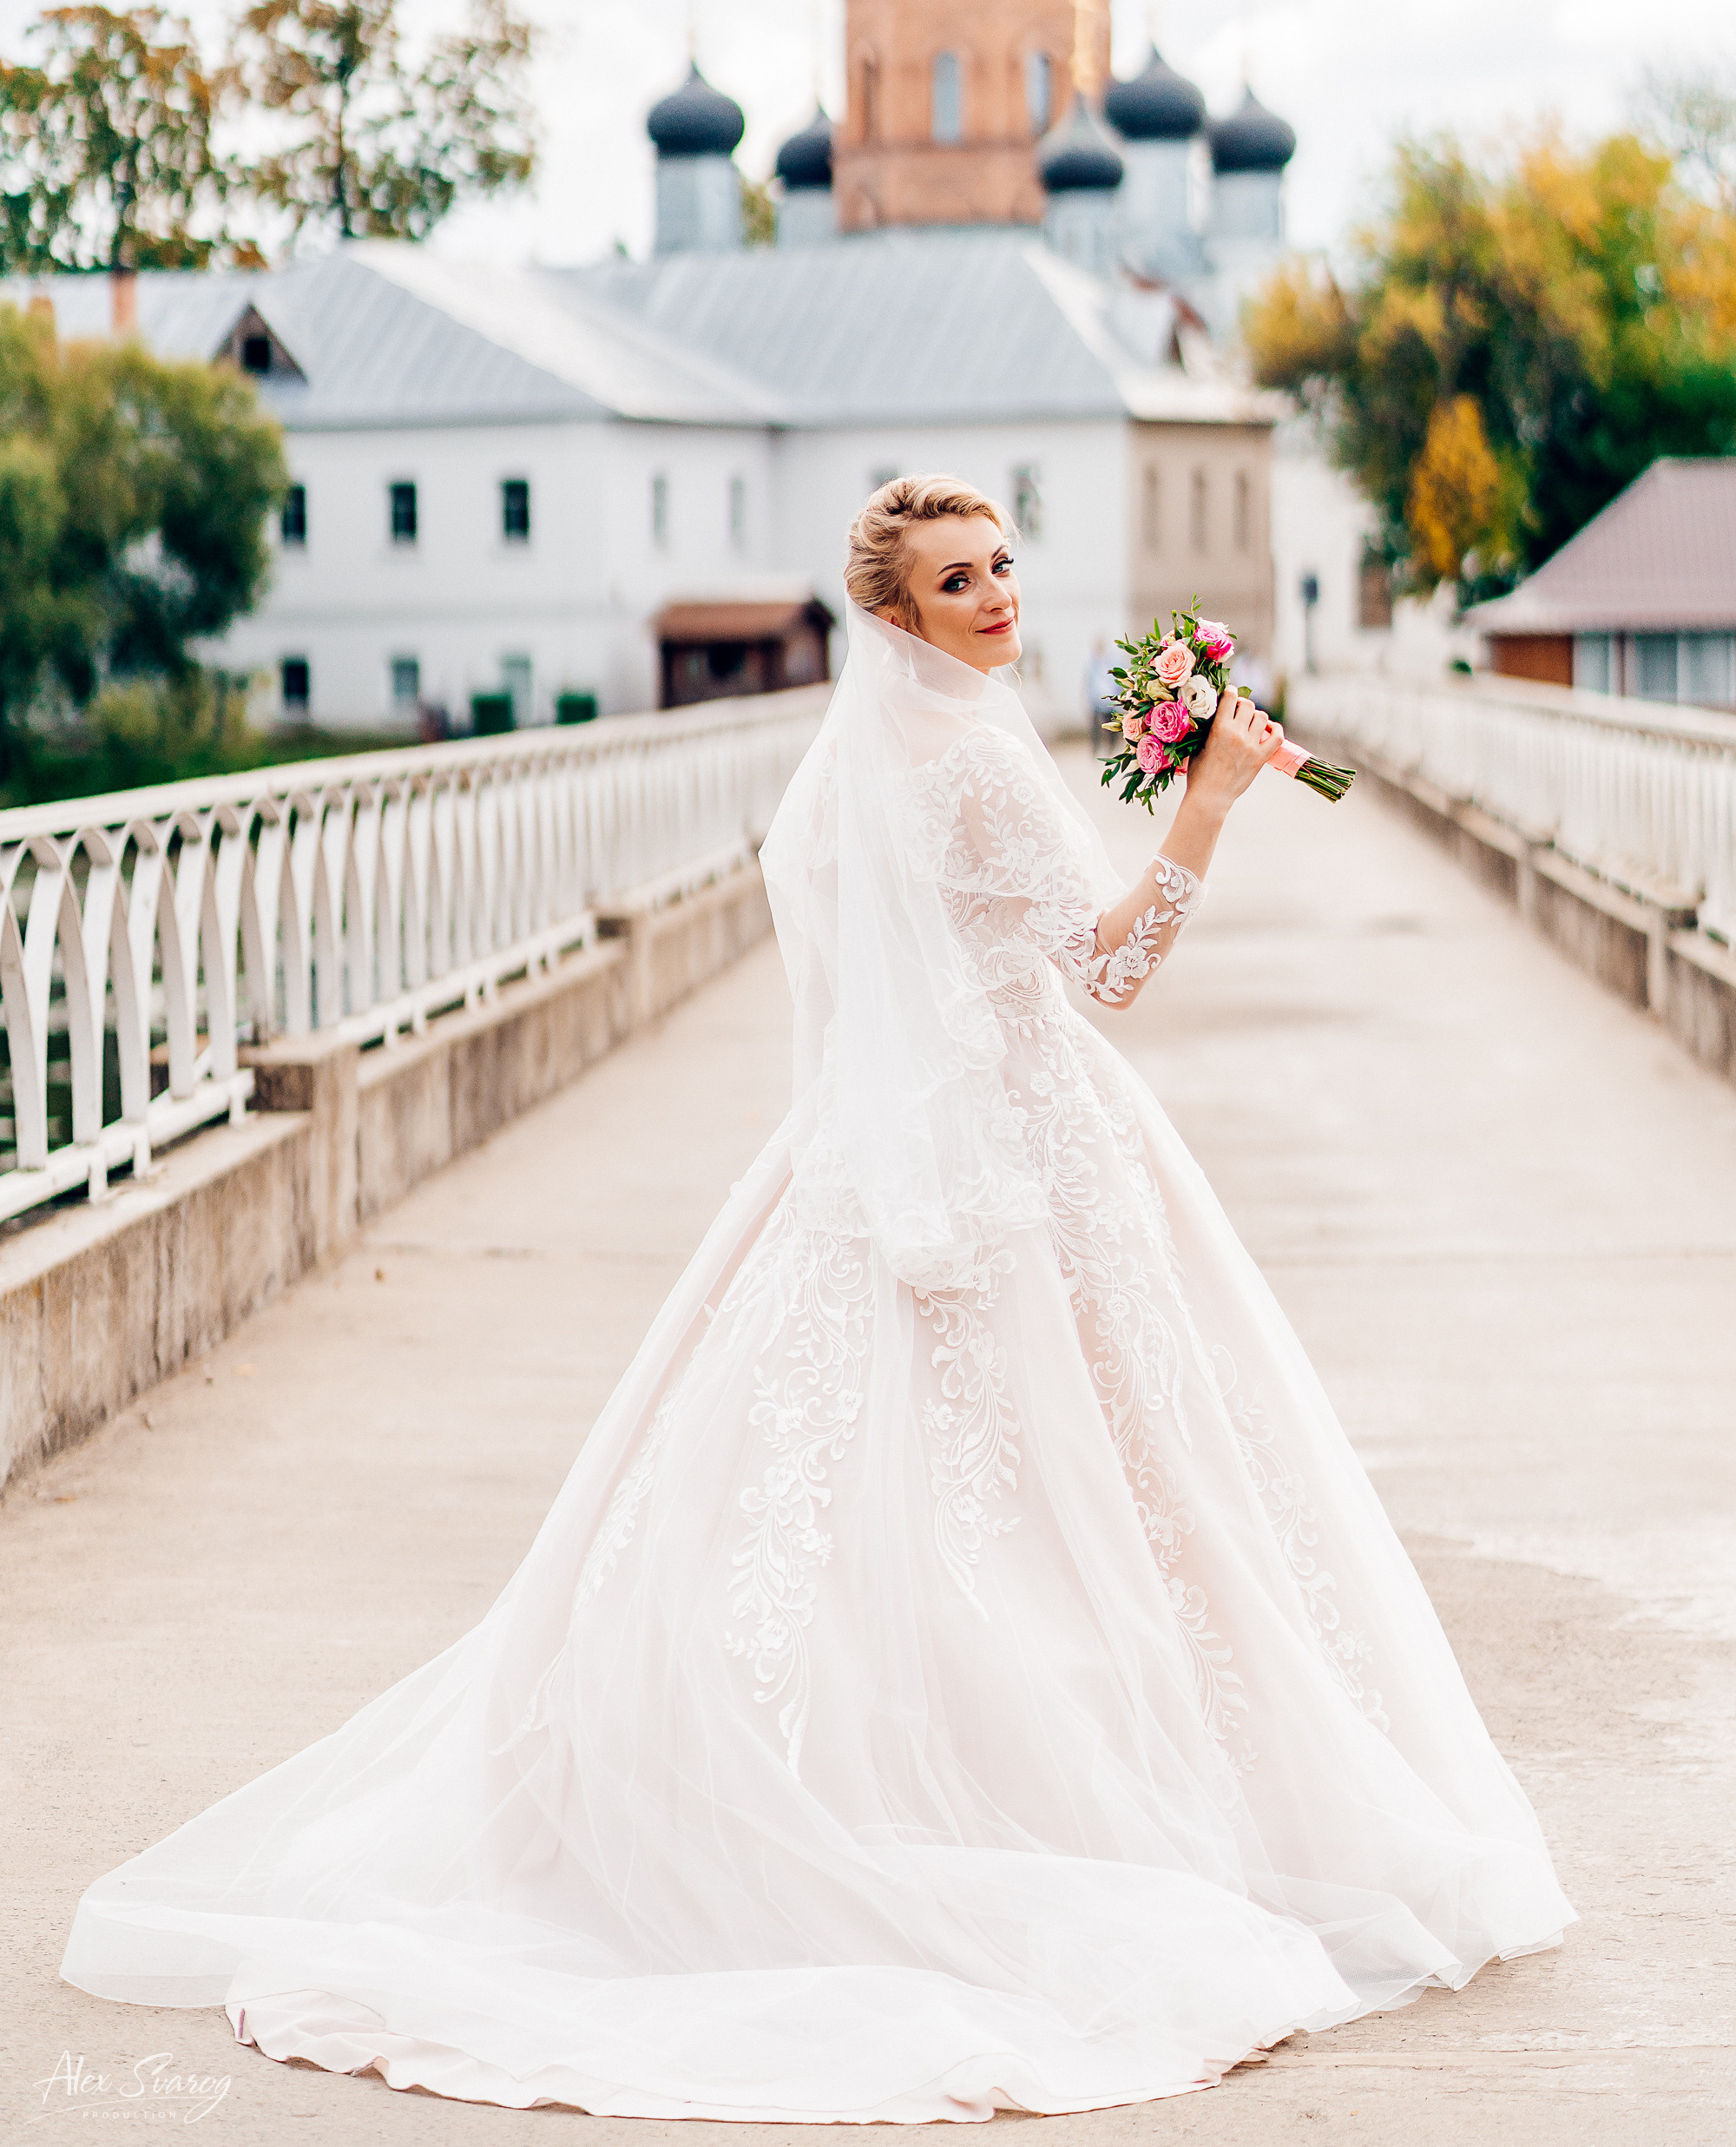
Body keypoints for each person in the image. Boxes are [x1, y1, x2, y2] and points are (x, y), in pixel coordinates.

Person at [61, 476, 1574, 2122]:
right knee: (1115, 1490)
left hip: (879, 1158)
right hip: (1028, 1148)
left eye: (1001, 567)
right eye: (958, 582)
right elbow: (1112, 971)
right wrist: (1208, 802)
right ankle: (1064, 1808)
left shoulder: (858, 761)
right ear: (900, 616)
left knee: (892, 1490)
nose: (998, 598)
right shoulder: (987, 756)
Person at [1084, 631, 1121, 755]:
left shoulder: (1111, 661)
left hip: (1109, 699)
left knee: (1111, 725)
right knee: (1095, 727)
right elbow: (1088, 682)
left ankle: (1111, 747)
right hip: (1096, 699)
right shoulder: (1091, 663)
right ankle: (1095, 749)